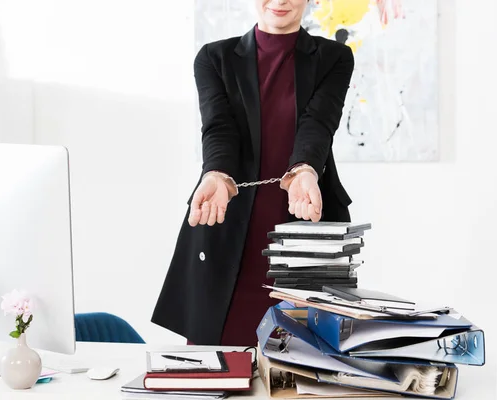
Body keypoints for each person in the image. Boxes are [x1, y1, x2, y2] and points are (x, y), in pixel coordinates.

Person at [151, 0, 354, 346]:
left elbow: (318, 122)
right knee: (220, 365)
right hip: (227, 227)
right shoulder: (215, 58)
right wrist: (216, 173)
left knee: (306, 363)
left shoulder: (334, 57)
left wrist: (305, 169)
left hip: (305, 218)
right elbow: (218, 127)